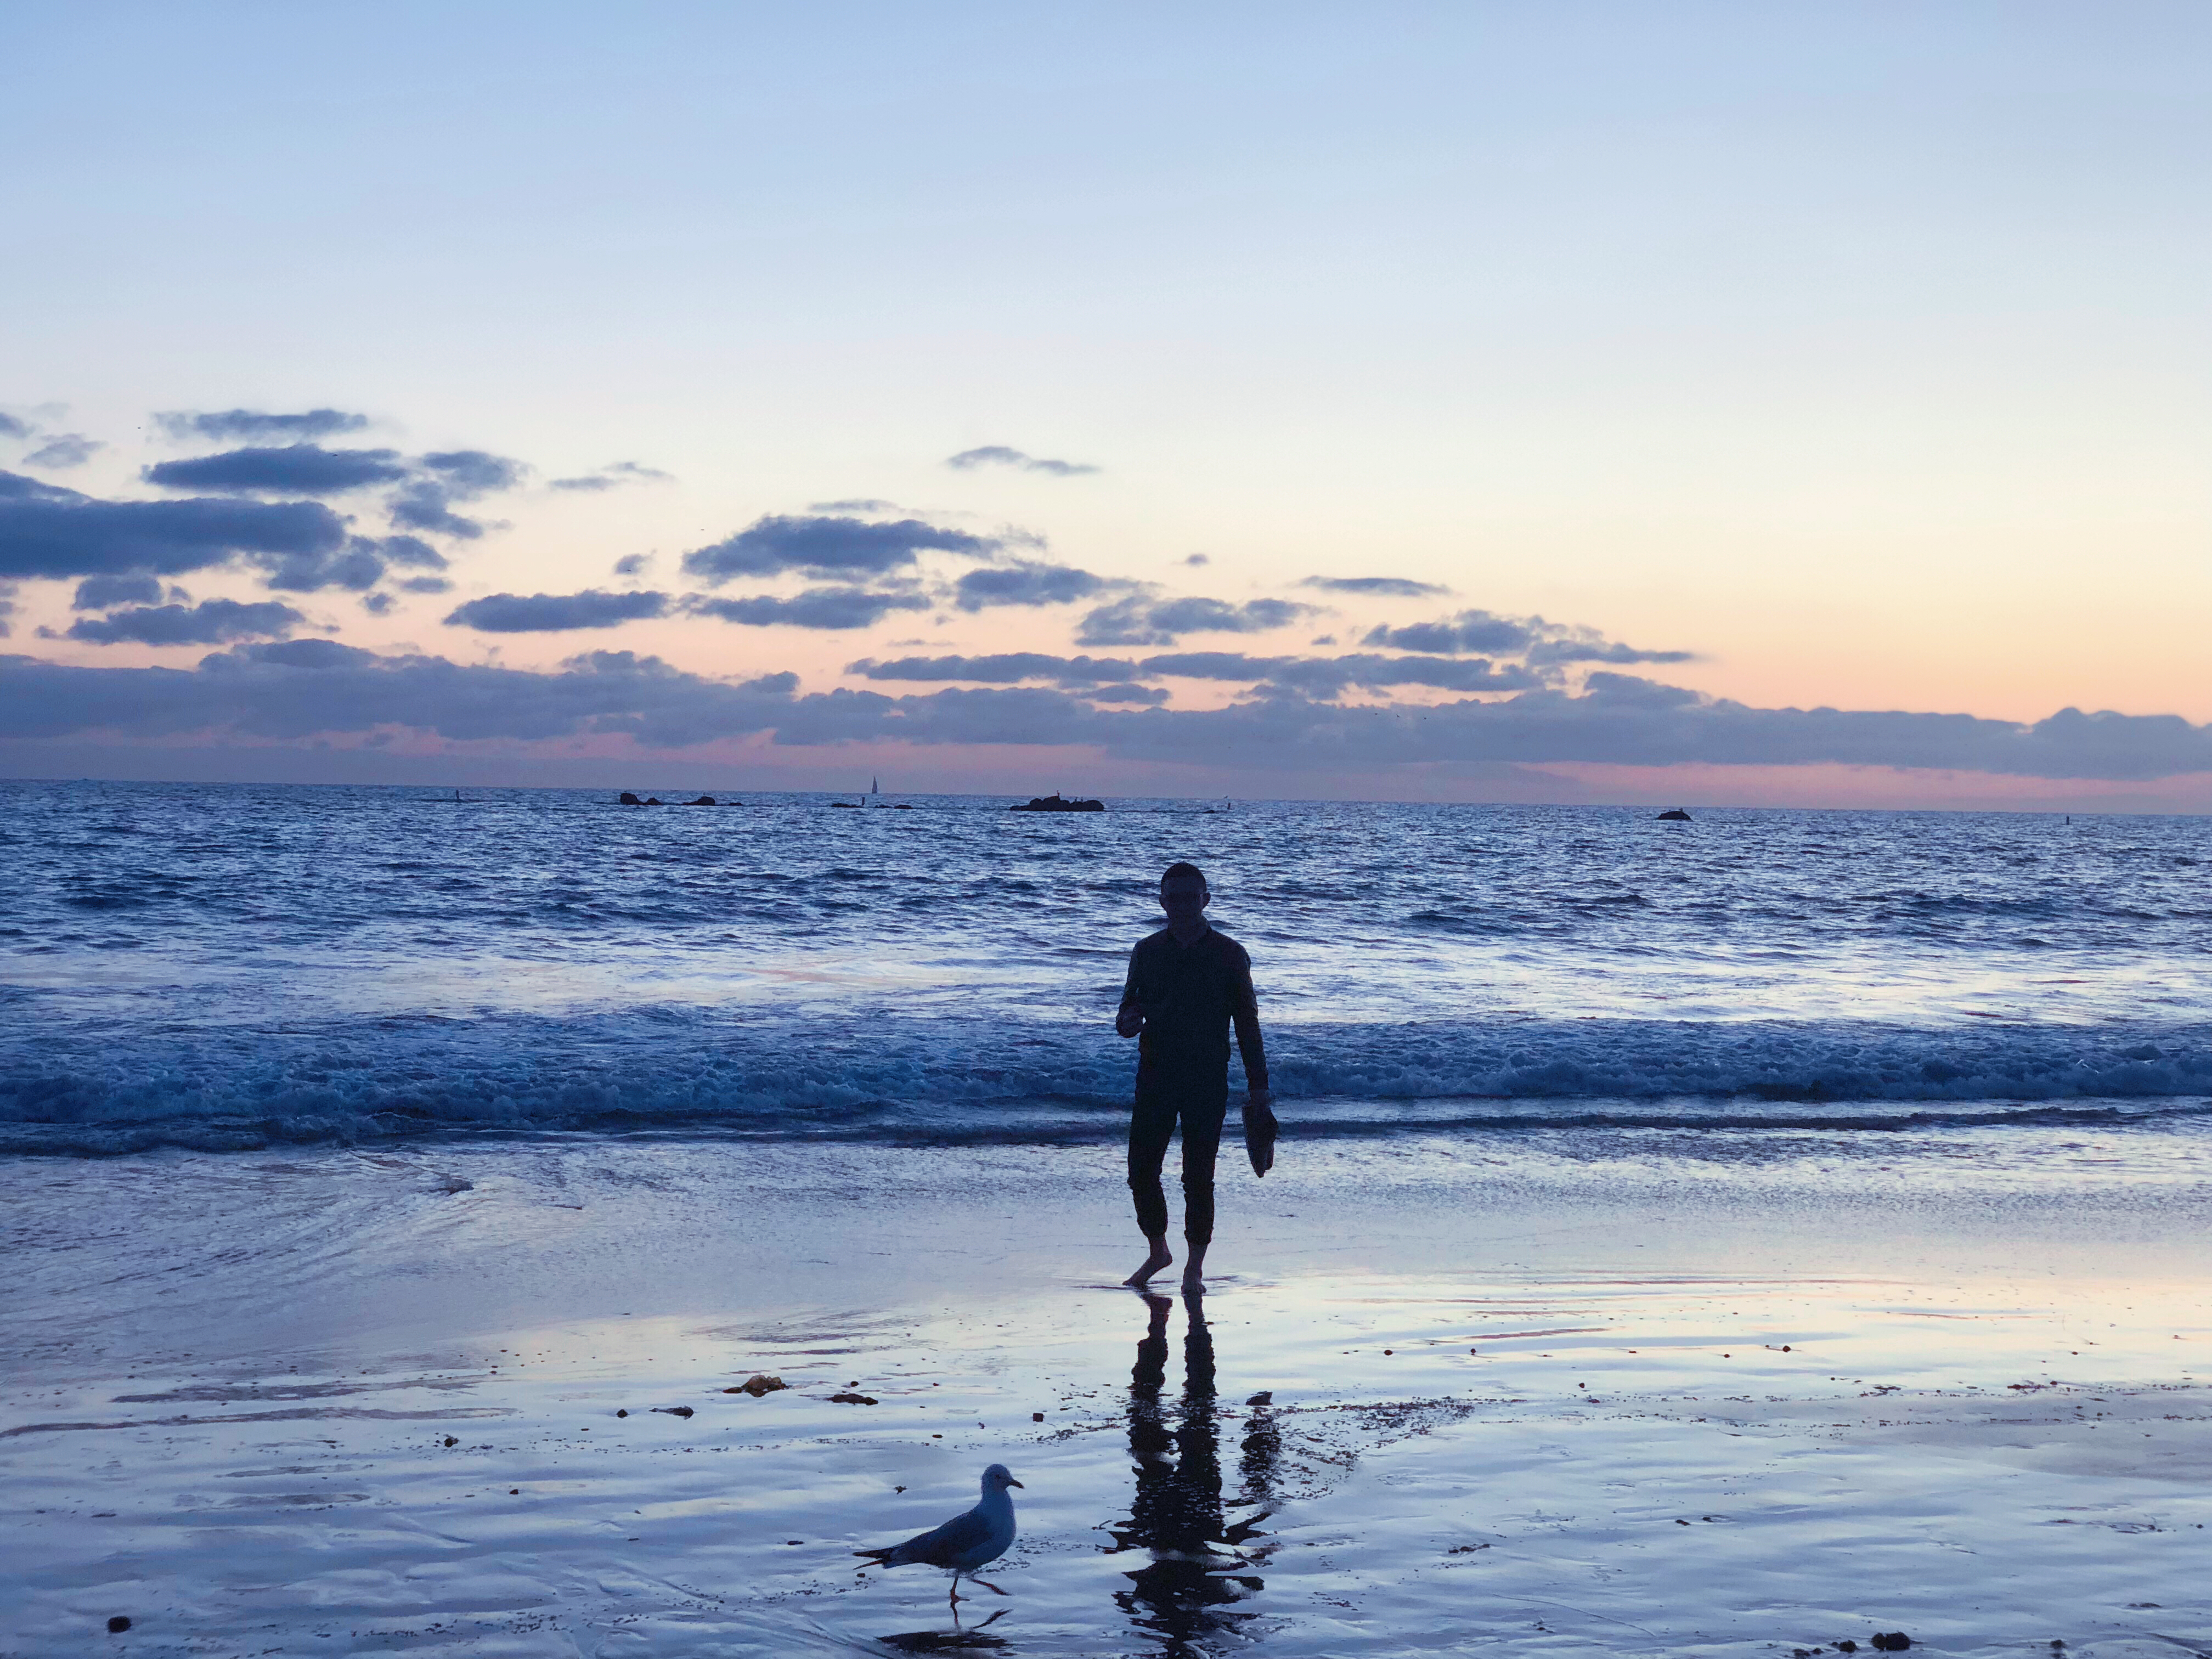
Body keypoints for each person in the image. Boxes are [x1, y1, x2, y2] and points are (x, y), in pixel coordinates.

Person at [1114, 861, 1270, 1290]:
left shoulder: (1229, 954)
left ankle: (1194, 1268)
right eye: (1174, 897)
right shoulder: (1147, 951)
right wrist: (1128, 1020)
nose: (1182, 904)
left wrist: (1260, 1090)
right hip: (1156, 1074)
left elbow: (1248, 1024)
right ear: (1162, 901)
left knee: (1198, 1175)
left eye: (1191, 896)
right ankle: (1159, 1252)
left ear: (1206, 899)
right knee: (1141, 1170)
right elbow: (1128, 1009)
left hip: (1207, 1077)